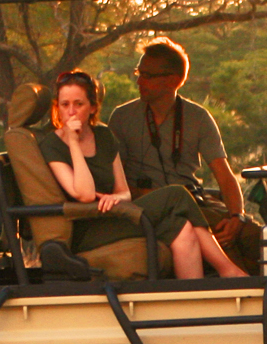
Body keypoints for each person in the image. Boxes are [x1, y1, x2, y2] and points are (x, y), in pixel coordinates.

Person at [39, 69, 246, 279]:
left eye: (79, 104)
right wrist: (73, 142)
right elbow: (84, 194)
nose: (71, 112)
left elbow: (124, 192)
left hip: (115, 215)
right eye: (65, 105)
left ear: (92, 107)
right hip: (86, 228)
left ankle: (191, 300)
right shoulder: (52, 145)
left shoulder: (103, 135)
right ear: (58, 108)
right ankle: (228, 270)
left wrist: (114, 199)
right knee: (177, 194)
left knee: (181, 227)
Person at [106, 38, 247, 251]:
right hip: (146, 206)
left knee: (250, 234)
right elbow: (116, 181)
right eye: (139, 73)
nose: (139, 82)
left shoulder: (198, 117)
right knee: (217, 234)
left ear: (173, 80)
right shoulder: (122, 117)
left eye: (147, 76)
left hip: (192, 201)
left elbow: (223, 173)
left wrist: (237, 216)